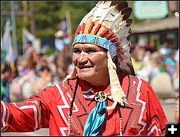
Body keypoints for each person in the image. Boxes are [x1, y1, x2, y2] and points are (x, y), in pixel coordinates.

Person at [1, 1, 167, 136]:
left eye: (90, 51)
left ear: (111, 57)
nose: (80, 58)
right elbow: (14, 115)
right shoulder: (58, 96)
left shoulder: (139, 91)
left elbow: (160, 130)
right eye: (76, 51)